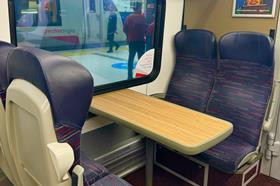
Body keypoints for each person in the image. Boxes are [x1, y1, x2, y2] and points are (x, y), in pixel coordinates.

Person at [123, 3, 148, 79]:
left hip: (132, 41)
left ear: (134, 9)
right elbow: (145, 29)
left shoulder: (129, 18)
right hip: (141, 41)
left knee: (131, 58)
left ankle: (129, 76)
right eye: (140, 8)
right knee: (141, 58)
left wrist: (128, 36)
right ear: (139, 8)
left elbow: (124, 29)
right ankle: (141, 75)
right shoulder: (143, 17)